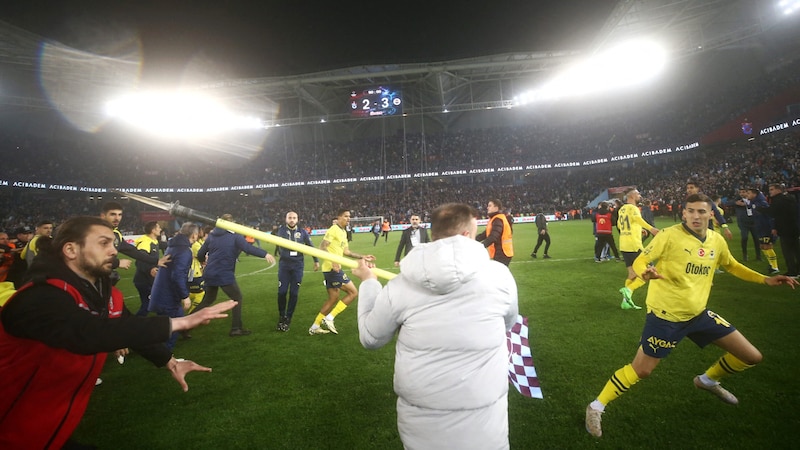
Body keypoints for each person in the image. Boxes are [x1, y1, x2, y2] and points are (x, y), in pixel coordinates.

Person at [0, 216, 237, 449]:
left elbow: (127, 327)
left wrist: (169, 361)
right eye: (103, 243)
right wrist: (179, 323)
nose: (113, 251)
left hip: (47, 430)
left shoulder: (106, 294)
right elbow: (86, 333)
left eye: (113, 243)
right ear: (71, 249)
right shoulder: (40, 296)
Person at [584, 194, 798, 438]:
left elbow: (731, 265)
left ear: (711, 214)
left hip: (699, 315)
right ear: (683, 213)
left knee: (751, 356)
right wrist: (646, 273)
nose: (696, 216)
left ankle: (706, 381)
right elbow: (642, 260)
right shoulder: (669, 235)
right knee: (641, 371)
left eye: (701, 212)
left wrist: (765, 279)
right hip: (665, 317)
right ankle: (596, 406)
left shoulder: (716, 240)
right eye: (691, 211)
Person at [352, 203, 519, 449]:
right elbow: (508, 323)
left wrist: (369, 282)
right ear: (466, 235)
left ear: (434, 234)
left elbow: (370, 337)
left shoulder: (400, 285)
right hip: (486, 429)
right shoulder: (500, 277)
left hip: (422, 431)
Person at [195, 213, 276, 337]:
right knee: (237, 298)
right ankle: (236, 328)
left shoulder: (211, 236)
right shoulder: (234, 236)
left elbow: (201, 254)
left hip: (210, 273)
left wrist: (203, 261)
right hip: (224, 273)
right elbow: (247, 248)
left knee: (208, 300)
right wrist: (265, 254)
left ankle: (186, 326)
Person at [308, 209, 375, 335]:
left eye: (349, 216)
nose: (348, 218)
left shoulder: (343, 232)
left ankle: (315, 326)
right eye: (345, 216)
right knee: (353, 293)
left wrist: (362, 257)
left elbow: (346, 252)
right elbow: (322, 247)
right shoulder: (333, 229)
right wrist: (333, 261)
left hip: (332, 268)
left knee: (333, 298)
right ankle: (329, 318)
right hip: (332, 268)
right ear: (338, 217)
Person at [149, 222, 199, 349]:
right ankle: (165, 357)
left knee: (168, 326)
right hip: (168, 297)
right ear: (194, 235)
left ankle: (158, 351)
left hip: (161, 294)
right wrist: (185, 296)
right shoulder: (184, 250)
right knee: (173, 328)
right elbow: (177, 276)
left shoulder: (173, 246)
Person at [100, 202, 170, 286]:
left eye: (119, 215)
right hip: (91, 279)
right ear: (103, 216)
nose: (117, 218)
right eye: (112, 214)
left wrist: (156, 261)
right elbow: (90, 257)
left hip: (105, 279)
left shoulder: (116, 234)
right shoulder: (95, 233)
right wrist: (117, 263)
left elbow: (132, 251)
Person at [275, 211, 319, 332]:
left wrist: (316, 260)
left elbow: (310, 245)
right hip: (284, 266)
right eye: (290, 218)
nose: (292, 220)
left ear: (297, 219)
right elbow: (280, 245)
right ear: (286, 219)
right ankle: (281, 315)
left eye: (294, 218)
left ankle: (288, 317)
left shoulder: (303, 232)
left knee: (294, 293)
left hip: (297, 267)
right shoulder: (281, 231)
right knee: (282, 292)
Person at [617, 188, 659, 310]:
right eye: (637, 193)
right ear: (631, 196)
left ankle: (625, 302)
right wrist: (651, 229)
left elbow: (621, 225)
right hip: (634, 245)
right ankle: (629, 289)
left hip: (624, 244)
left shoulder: (622, 209)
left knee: (631, 273)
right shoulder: (633, 208)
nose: (639, 195)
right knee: (649, 272)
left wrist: (637, 229)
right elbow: (637, 219)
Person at [763, 183, 800, 277]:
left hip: (785, 229)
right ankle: (798, 270)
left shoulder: (778, 200)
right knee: (796, 250)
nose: (770, 191)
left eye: (772, 189)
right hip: (794, 228)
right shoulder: (790, 198)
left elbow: (772, 213)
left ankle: (792, 272)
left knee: (788, 252)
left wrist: (759, 209)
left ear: (778, 190)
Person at [745, 188, 780, 274]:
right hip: (760, 228)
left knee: (768, 246)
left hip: (766, 228)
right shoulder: (754, 202)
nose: (747, 195)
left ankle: (775, 267)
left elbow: (770, 215)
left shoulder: (762, 203)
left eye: (748, 193)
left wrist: (772, 227)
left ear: (754, 194)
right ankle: (771, 265)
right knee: (763, 247)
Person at [132, 221, 162, 317]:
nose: (160, 229)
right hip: (143, 281)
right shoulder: (145, 242)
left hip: (149, 280)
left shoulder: (154, 241)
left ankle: (162, 324)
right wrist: (150, 269)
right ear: (153, 230)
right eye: (158, 227)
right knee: (148, 305)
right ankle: (132, 325)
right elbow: (140, 261)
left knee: (155, 303)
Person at [476, 199, 514, 266]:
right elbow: (484, 234)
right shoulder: (496, 218)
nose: (487, 207)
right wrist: (471, 239)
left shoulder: (497, 219)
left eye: (490, 206)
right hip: (502, 252)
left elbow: (493, 237)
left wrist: (480, 246)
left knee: (499, 275)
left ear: (496, 208)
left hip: (502, 252)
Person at [733, 188, 761, 262]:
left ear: (747, 193)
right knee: (744, 238)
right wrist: (736, 203)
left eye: (743, 192)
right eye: (740, 192)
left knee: (756, 239)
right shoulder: (738, 200)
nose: (741, 194)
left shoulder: (752, 200)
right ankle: (745, 255)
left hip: (753, 222)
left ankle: (758, 256)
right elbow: (728, 203)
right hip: (743, 223)